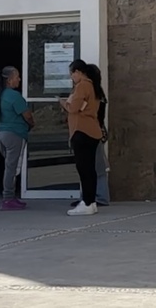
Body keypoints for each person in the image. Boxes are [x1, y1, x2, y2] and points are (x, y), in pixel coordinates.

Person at [61, 60, 104, 216]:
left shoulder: (82, 86)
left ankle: (86, 202)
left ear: (78, 72)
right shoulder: (94, 86)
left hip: (81, 131)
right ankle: (91, 202)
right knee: (90, 169)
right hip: (92, 131)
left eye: (72, 74)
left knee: (84, 169)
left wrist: (64, 103)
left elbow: (74, 108)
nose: (71, 77)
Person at [0, 66, 34, 211]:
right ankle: (8, 198)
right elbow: (27, 115)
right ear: (10, 80)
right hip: (15, 134)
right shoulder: (14, 96)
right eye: (17, 77)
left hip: (2, 134)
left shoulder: (0, 95)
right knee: (12, 167)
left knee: (10, 166)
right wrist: (32, 124)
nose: (19, 79)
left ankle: (10, 197)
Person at [71, 62, 110, 209]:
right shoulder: (97, 92)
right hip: (96, 131)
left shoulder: (88, 89)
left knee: (93, 167)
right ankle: (90, 197)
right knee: (94, 166)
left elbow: (78, 109)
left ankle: (96, 197)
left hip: (89, 131)